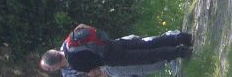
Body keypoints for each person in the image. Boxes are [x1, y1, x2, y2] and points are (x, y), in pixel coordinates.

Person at [40, 24, 192, 74]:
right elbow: (83, 27)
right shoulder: (68, 41)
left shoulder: (74, 63)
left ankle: (182, 52)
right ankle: (183, 38)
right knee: (148, 44)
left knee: (147, 56)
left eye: (52, 68)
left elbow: (95, 69)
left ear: (56, 64)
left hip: (112, 58)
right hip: (114, 43)